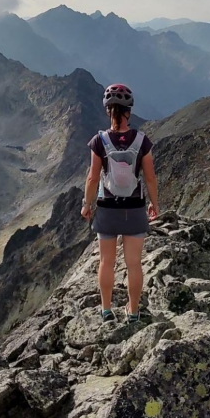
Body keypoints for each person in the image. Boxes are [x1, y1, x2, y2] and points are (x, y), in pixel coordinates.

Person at [81, 83, 159, 323]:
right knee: (134, 264)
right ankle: (133, 312)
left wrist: (87, 204)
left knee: (106, 262)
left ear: (108, 110)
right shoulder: (142, 141)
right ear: (129, 111)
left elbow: (93, 177)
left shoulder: (99, 141)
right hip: (134, 209)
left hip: (107, 209)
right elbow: (150, 177)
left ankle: (106, 311)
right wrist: (155, 204)